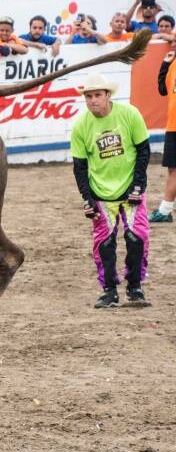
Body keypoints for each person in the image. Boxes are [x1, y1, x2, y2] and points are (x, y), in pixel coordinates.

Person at [70, 73, 151, 308]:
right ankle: (109, 290)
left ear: (107, 95)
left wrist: (138, 185)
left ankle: (135, 287)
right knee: (104, 244)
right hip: (101, 194)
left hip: (130, 189)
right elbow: (80, 166)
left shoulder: (129, 114)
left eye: (97, 95)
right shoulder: (81, 126)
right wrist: (87, 198)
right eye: (88, 96)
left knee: (137, 238)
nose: (92, 100)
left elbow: (143, 152)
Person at [149, 47, 176, 223]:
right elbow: (163, 89)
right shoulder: (173, 64)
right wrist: (165, 64)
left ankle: (165, 210)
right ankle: (166, 210)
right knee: (172, 169)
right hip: (173, 124)